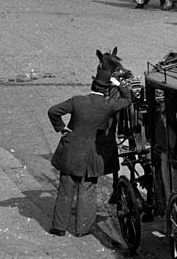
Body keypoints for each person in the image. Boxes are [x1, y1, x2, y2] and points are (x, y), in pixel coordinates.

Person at [47, 71, 133, 237]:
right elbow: (127, 100)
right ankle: (82, 229)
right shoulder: (108, 105)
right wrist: (119, 85)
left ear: (92, 86)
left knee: (65, 189)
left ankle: (59, 228)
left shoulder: (77, 100)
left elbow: (53, 111)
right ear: (106, 90)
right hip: (92, 156)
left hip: (71, 152)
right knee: (88, 188)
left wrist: (61, 127)